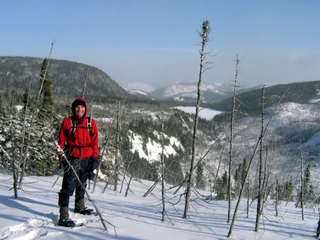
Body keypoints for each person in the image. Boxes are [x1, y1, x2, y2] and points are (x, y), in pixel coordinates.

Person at [57, 98, 99, 227]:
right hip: (72, 158)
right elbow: (60, 142)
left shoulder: (90, 123)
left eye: (82, 108)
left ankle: (79, 206)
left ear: (85, 109)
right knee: (68, 186)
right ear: (73, 108)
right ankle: (63, 214)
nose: (79, 110)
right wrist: (62, 158)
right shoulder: (67, 122)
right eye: (77, 107)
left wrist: (95, 160)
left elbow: (95, 142)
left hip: (87, 158)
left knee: (82, 183)